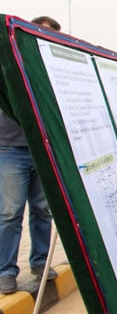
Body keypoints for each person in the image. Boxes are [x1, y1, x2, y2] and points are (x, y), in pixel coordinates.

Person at [0, 16, 61, 294]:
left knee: (43, 210)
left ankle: (39, 262)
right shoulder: (10, 66)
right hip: (10, 150)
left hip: (42, 150)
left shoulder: (48, 70)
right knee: (10, 213)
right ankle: (5, 271)